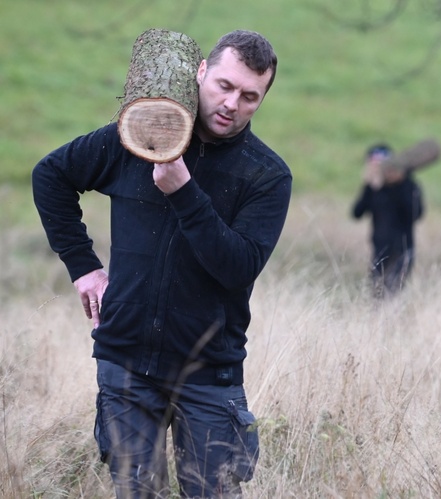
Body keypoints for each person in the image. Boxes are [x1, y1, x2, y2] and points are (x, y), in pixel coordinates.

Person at [32, 30, 292, 498]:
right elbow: (50, 174)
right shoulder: (140, 135)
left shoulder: (266, 175)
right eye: (224, 86)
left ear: (262, 98)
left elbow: (238, 267)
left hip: (211, 373)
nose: (232, 103)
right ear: (201, 72)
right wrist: (83, 266)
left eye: (249, 96)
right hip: (126, 360)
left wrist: (183, 190)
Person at [351, 144, 423, 298]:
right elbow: (357, 213)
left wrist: (399, 183)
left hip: (404, 248)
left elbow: (416, 213)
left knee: (394, 291)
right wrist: (370, 187)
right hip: (379, 249)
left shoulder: (408, 185)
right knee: (377, 292)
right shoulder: (373, 187)